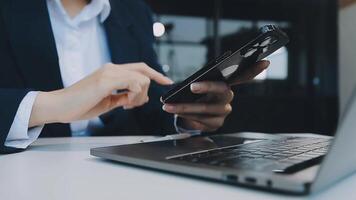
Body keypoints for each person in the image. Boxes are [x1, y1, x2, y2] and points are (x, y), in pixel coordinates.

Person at [0, 0, 269, 154]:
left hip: (115, 170)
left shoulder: (133, 11)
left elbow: (150, 98)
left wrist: (185, 112)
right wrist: (50, 105)